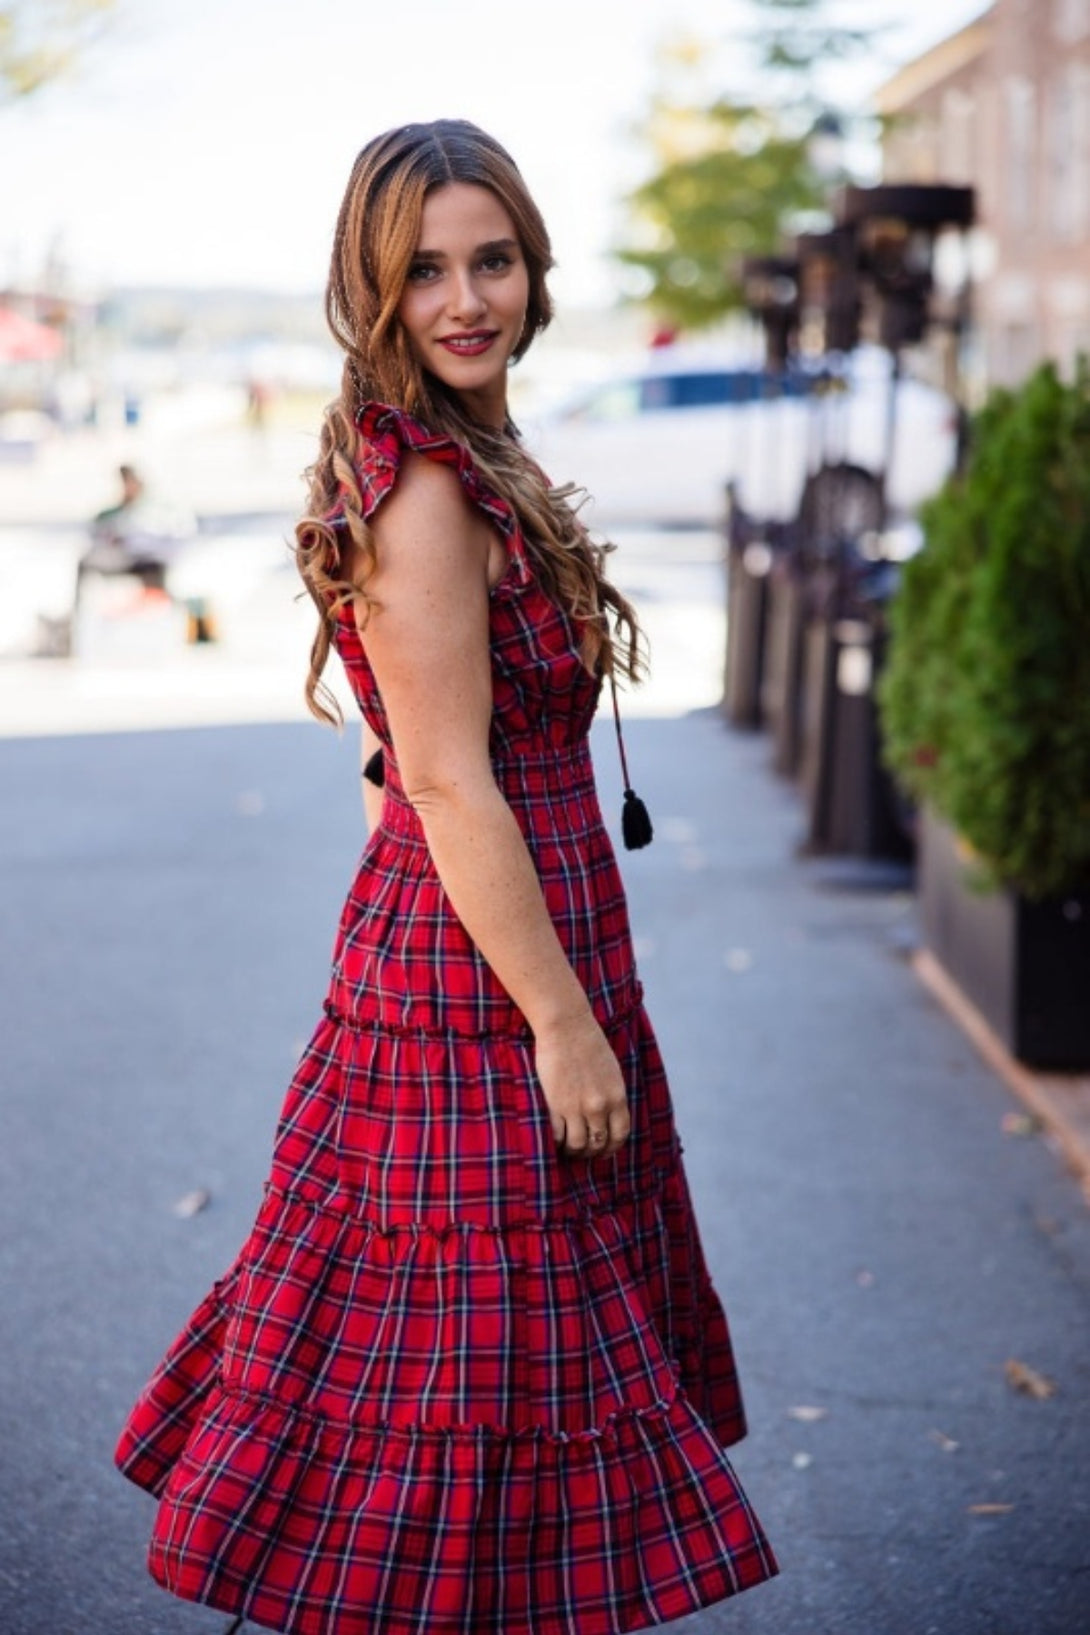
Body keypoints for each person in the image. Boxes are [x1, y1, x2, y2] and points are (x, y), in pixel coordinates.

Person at [115, 119, 778, 1635]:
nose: (466, 296)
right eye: (424, 270)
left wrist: (419, 940)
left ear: (535, 271)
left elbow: (390, 762)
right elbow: (432, 769)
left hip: (481, 934)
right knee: (466, 1361)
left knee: (482, 1356)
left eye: (492, 260)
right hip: (491, 973)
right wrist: (545, 1016)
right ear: (373, 284)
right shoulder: (419, 481)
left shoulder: (461, 449)